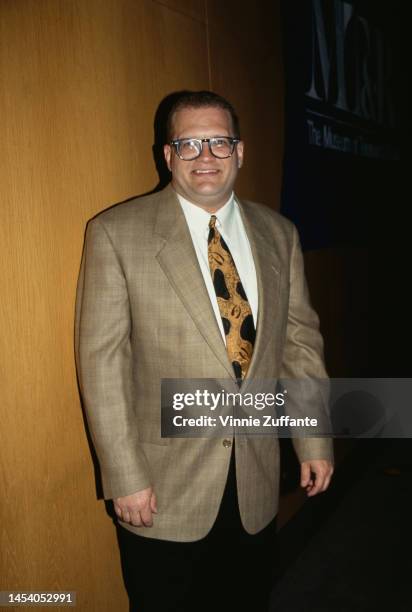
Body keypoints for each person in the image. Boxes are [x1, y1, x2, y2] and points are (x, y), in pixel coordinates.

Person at [75, 90, 334, 612]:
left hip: (256, 481)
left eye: (219, 142)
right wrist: (125, 475)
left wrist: (314, 440)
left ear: (240, 152)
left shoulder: (280, 234)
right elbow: (102, 363)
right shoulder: (116, 233)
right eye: (189, 144)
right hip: (162, 487)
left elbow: (300, 345)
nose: (206, 157)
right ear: (167, 156)